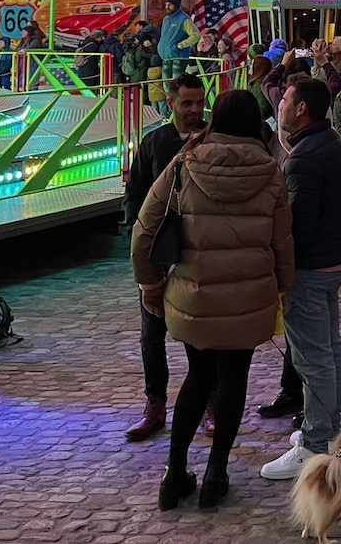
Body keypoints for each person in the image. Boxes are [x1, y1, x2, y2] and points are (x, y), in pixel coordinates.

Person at [130, 89, 294, 510]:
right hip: (248, 296)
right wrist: (284, 288)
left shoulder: (185, 165)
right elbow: (282, 241)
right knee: (234, 379)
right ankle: (216, 472)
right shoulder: (272, 171)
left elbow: (144, 231)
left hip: (194, 295)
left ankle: (173, 473)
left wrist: (150, 285)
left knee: (198, 376)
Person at [262, 77, 341, 482]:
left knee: (312, 357)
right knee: (329, 348)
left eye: (284, 99)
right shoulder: (332, 142)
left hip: (311, 269)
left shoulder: (305, 157)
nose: (280, 104)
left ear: (302, 109)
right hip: (332, 263)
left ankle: (317, 443)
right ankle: (329, 426)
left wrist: (279, 271)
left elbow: (295, 227)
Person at [123, 74, 209, 441]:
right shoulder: (154, 143)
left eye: (199, 102)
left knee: (201, 335)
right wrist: (138, 243)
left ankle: (208, 403)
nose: (194, 110)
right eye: (186, 103)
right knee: (152, 334)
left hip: (199, 254)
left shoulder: (214, 141)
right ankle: (155, 404)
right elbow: (135, 197)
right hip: (160, 254)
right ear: (171, 103)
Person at [158, 0, 198, 100]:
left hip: (178, 57)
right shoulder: (166, 19)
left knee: (176, 85)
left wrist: (180, 45)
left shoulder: (184, 20)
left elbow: (196, 36)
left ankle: (178, 106)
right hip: (166, 56)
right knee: (166, 85)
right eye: (166, 4)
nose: (167, 7)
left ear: (176, 6)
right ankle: (171, 109)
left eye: (170, 5)